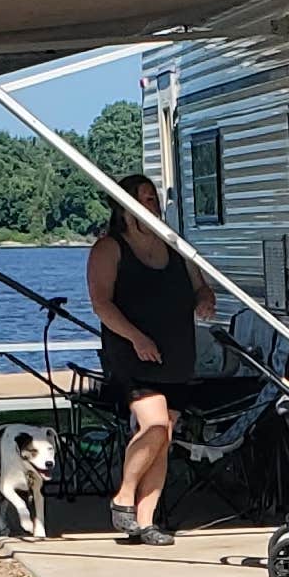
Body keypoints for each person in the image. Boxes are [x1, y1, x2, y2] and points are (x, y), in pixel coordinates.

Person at [86, 200, 216, 543]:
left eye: (152, 198)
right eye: (140, 198)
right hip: (132, 352)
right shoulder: (110, 248)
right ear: (124, 208)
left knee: (165, 437)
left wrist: (205, 299)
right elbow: (101, 303)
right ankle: (124, 495)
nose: (149, 205)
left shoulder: (175, 244)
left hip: (176, 354)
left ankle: (146, 522)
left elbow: (200, 287)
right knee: (154, 424)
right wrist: (136, 338)